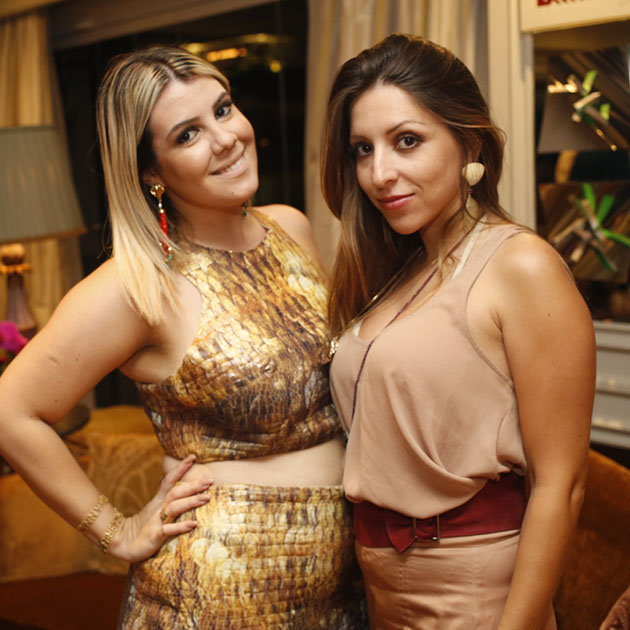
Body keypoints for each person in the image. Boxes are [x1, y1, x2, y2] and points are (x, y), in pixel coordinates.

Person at [0, 46, 366, 629]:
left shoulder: (291, 228)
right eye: (188, 134)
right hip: (216, 598)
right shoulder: (139, 283)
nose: (226, 139)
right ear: (151, 171)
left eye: (223, 109)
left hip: (345, 589)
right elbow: (11, 410)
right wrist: (116, 531)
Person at [321, 33, 595, 630]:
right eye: (363, 149)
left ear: (468, 142)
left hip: (475, 591)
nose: (379, 173)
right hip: (379, 585)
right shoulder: (397, 273)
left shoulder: (520, 265)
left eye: (407, 141)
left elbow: (562, 484)